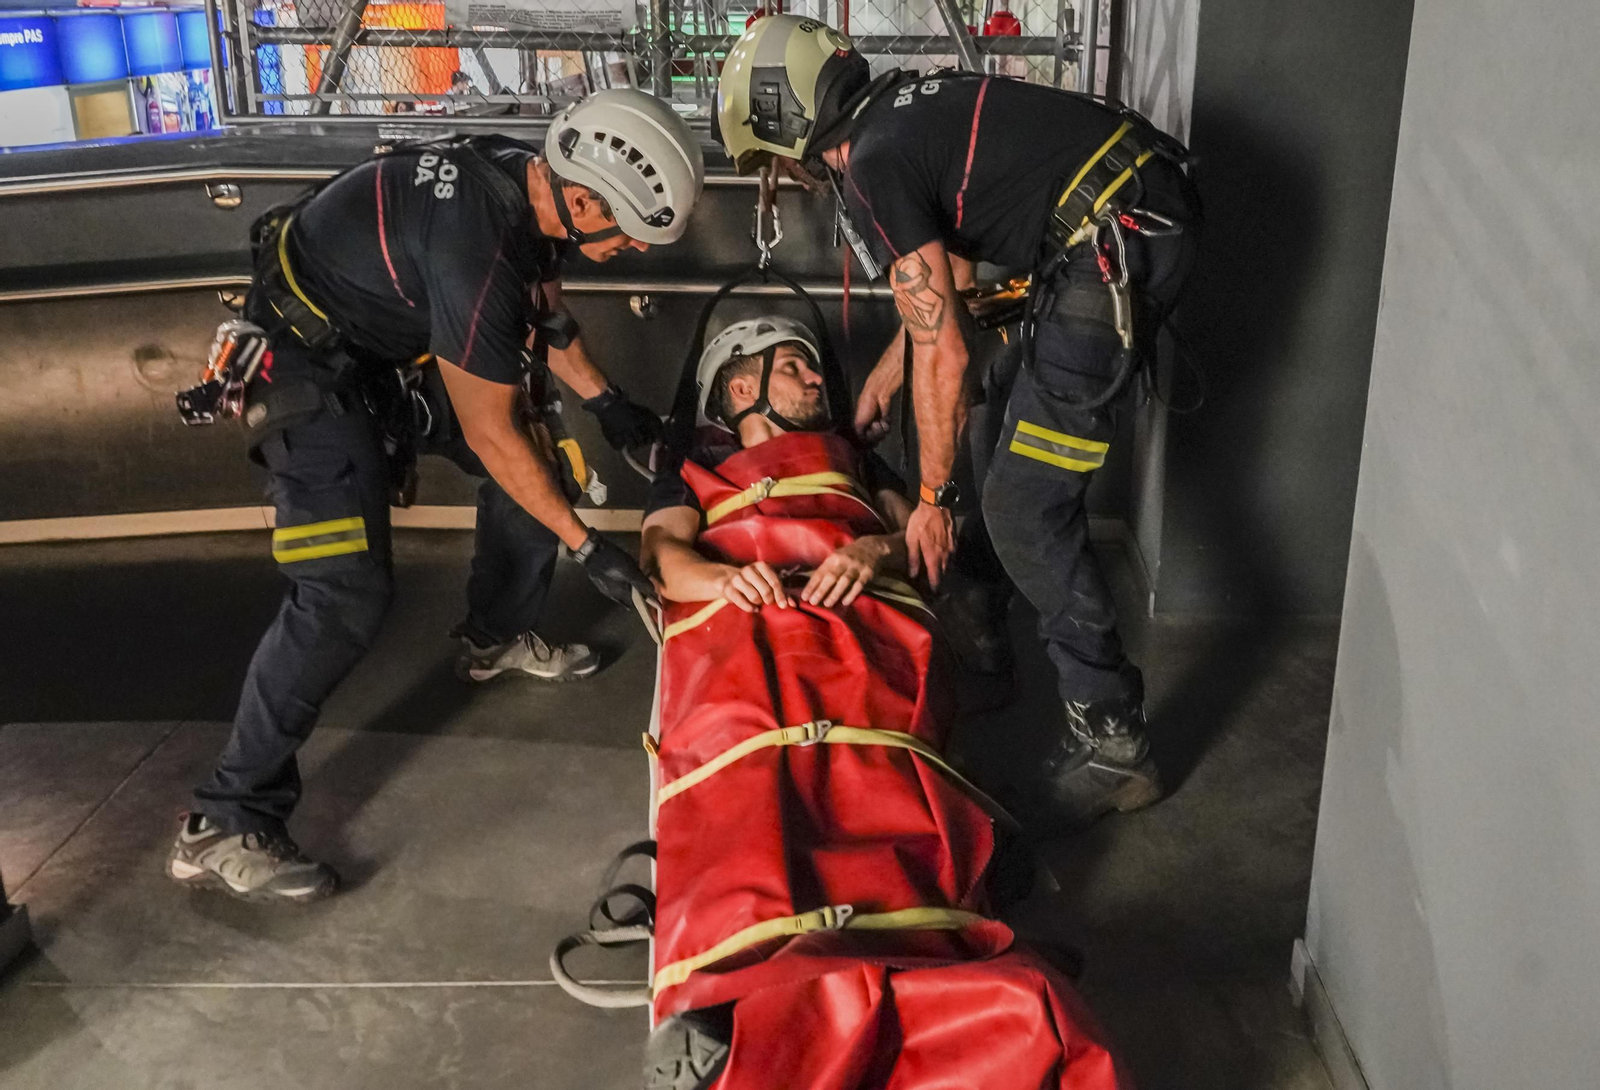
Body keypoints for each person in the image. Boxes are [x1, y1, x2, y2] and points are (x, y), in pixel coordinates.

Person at [167, 89, 705, 904]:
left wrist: (610, 406)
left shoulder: (524, 181)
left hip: (378, 354)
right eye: (628, 229)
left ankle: (495, 634)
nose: (629, 248)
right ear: (586, 196)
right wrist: (591, 550)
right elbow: (492, 431)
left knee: (538, 452)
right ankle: (225, 816)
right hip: (306, 369)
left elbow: (545, 319)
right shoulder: (478, 251)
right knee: (343, 592)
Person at [716, 16, 1202, 826]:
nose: (783, 175)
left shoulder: (867, 163)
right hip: (1125, 215)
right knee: (996, 408)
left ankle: (1115, 741)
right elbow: (950, 292)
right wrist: (884, 376)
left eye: (770, 159)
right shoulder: (901, 114)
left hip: (1116, 238)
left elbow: (943, 347)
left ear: (783, 121)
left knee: (1020, 500)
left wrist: (934, 499)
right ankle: (980, 630)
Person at [642, 317, 912, 609]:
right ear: (743, 390)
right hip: (750, 621)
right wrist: (724, 580)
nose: (816, 378)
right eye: (792, 367)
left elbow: (923, 540)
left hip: (868, 615)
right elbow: (658, 553)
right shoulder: (695, 466)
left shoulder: (853, 455)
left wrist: (875, 550)